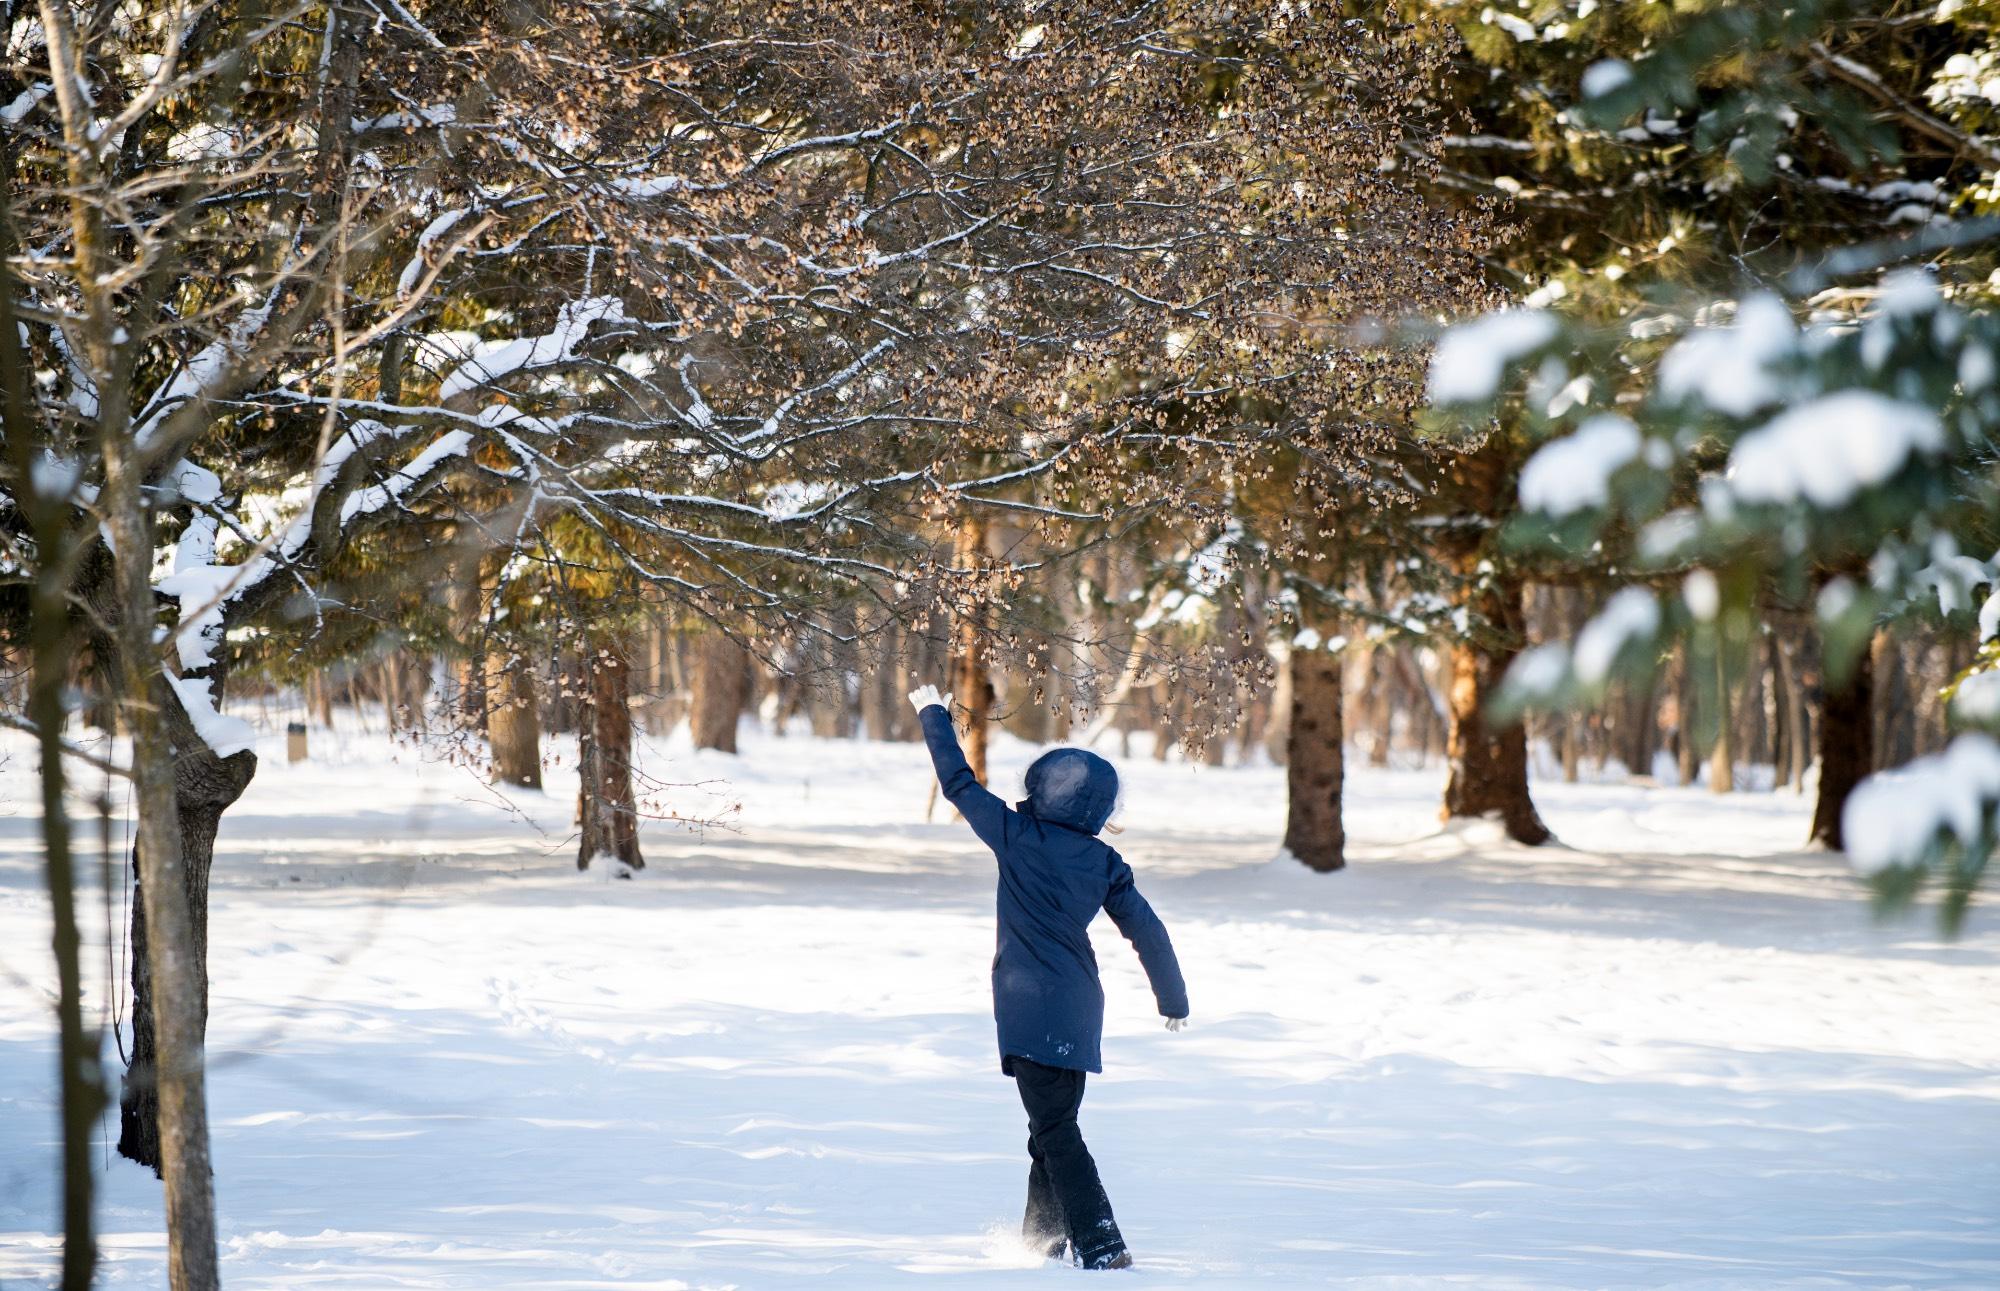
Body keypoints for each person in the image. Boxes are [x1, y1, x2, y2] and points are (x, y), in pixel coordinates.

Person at [908, 682, 1189, 1271]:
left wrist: (933, 714)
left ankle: (1103, 1243)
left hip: (1030, 1006)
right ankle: (1042, 1241)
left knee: (1056, 1131)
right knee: (1051, 1130)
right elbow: (1148, 930)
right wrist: (1173, 998)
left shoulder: (1017, 836)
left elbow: (959, 784)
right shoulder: (1105, 862)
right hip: (1081, 1006)